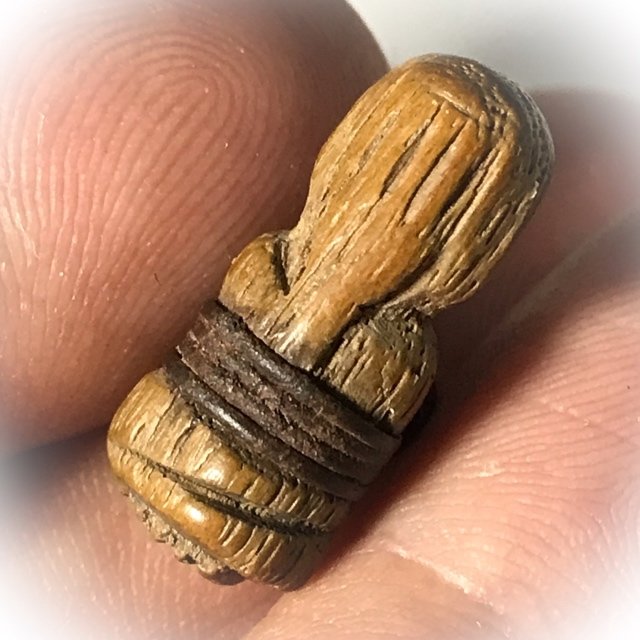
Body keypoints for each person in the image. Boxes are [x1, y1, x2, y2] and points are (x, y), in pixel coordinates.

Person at [1, 1, 639, 637]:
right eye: (399, 172)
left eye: (437, 199)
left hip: (234, 492)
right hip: (222, 487)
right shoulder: (303, 290)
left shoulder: (312, 297)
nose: (400, 213)